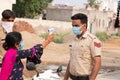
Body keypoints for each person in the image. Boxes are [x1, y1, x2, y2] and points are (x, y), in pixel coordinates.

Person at [64, 13, 101, 80]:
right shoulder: (74, 40)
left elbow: (97, 62)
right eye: (73, 26)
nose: (74, 28)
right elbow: (72, 60)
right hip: (72, 77)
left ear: (84, 26)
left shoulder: (92, 40)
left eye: (76, 26)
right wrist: (65, 78)